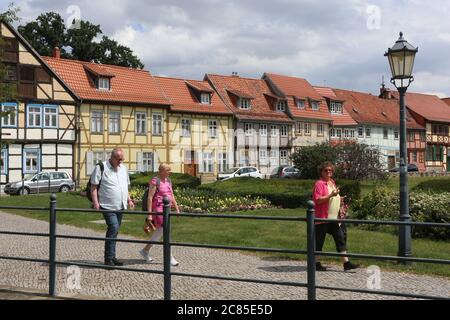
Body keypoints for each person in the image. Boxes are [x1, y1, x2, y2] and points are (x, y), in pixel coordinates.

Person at [312, 161, 360, 272]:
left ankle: (346, 263)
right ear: (321, 172)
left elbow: (332, 197)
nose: (328, 172)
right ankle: (316, 263)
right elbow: (318, 200)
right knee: (319, 242)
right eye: (326, 170)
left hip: (333, 218)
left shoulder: (332, 182)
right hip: (322, 218)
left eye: (330, 170)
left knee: (340, 238)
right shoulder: (319, 184)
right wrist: (331, 195)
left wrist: (339, 198)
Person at [90, 148, 135, 266]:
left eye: (122, 159)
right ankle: (108, 258)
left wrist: (129, 200)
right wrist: (96, 203)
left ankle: (112, 256)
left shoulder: (123, 169)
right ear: (113, 157)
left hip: (120, 205)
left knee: (115, 231)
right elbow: (93, 187)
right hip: (107, 205)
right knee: (113, 227)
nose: (121, 162)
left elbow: (125, 186)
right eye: (119, 159)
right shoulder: (101, 167)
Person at [139, 163, 181, 266]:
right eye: (168, 170)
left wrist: (176, 208)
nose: (170, 172)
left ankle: (145, 250)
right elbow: (149, 197)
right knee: (166, 231)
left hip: (167, 209)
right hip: (158, 210)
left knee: (160, 231)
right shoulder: (155, 181)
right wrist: (149, 214)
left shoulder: (168, 181)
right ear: (161, 171)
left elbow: (171, 195)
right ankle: (169, 257)